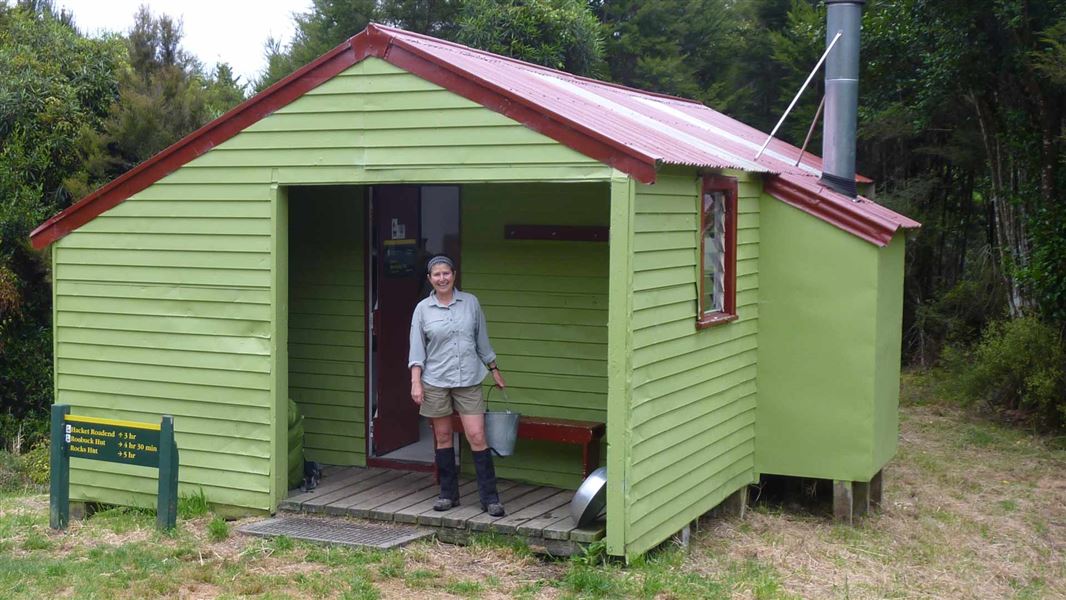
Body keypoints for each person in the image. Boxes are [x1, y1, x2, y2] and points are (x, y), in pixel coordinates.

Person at [408, 255, 507, 516]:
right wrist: (416, 382)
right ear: (430, 279)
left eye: (446, 273)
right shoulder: (422, 309)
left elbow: (482, 341)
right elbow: (417, 349)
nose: (442, 278)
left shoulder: (470, 303)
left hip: (468, 380)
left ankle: (490, 498)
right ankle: (447, 495)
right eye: (436, 274)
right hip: (435, 381)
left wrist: (494, 369)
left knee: (477, 435)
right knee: (442, 437)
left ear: (453, 275)